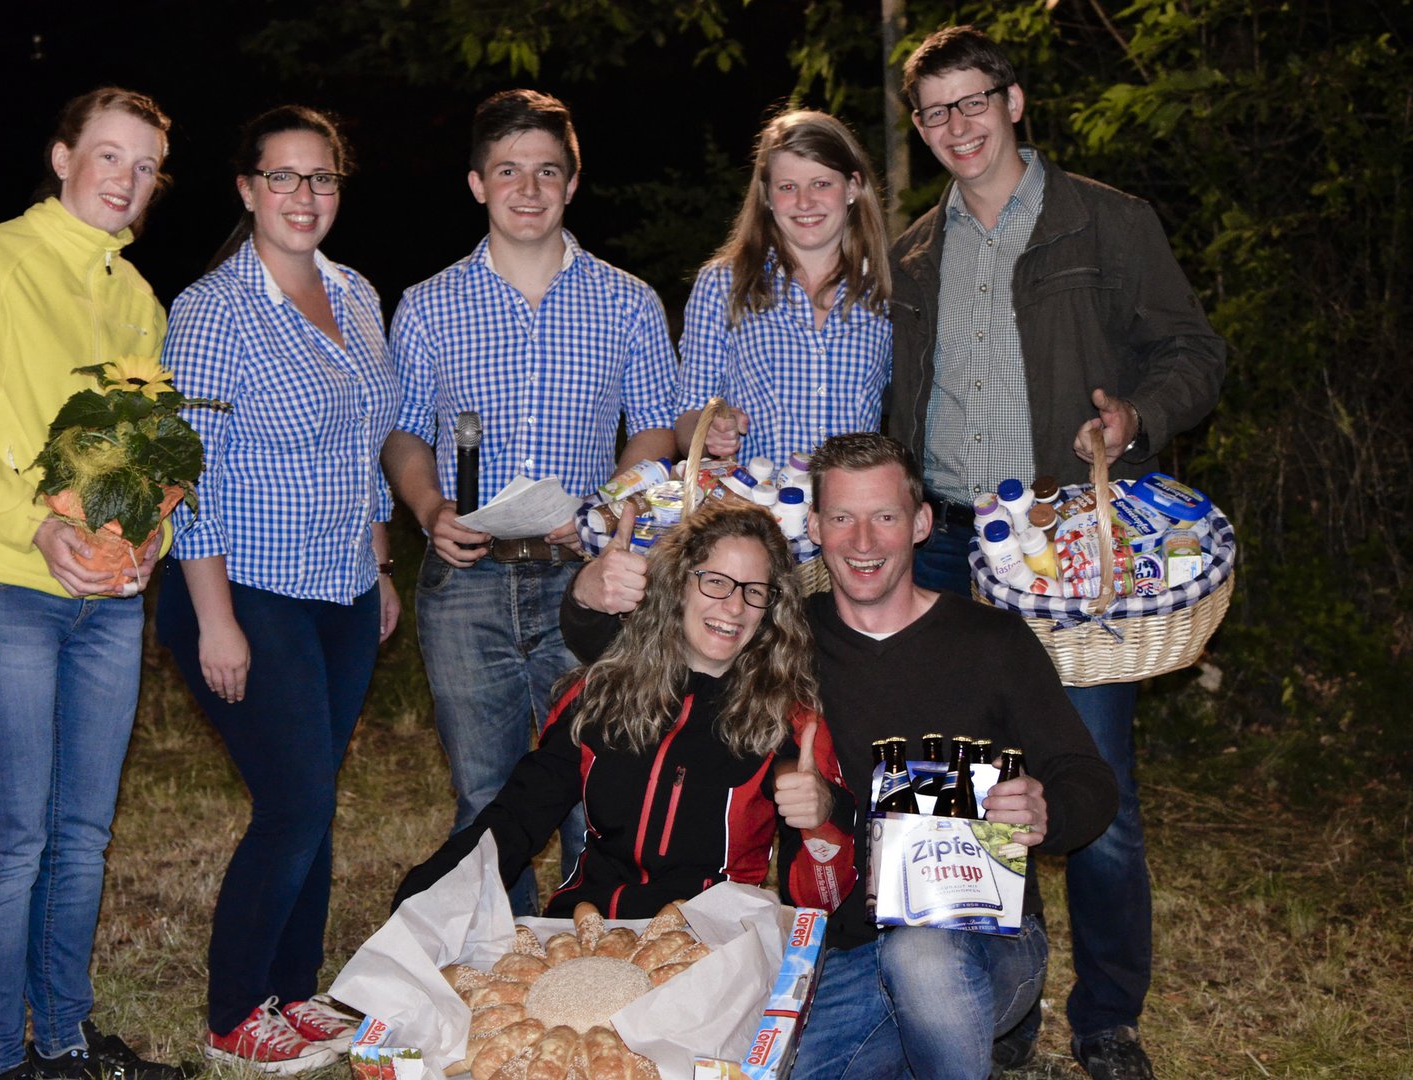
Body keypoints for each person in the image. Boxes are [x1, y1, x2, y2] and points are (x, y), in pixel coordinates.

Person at [884, 25, 1226, 1079]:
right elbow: (902, 396)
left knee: (1093, 794)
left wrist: (1136, 417)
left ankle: (1108, 1018)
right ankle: (1003, 1008)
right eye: (934, 110)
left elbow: (1194, 349)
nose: (956, 125)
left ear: (1014, 100)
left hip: (1066, 550)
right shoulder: (913, 253)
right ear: (918, 126)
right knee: (969, 789)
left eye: (972, 101)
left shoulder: (1105, 221)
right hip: (947, 549)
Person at [563, 433, 1118, 1080]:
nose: (862, 541)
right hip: (844, 948)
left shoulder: (991, 640)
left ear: (921, 523)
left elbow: (1089, 779)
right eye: (842, 518)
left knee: (921, 959)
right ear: (815, 526)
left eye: (884, 516)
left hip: (986, 935)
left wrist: (1048, 810)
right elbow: (654, 661)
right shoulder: (784, 641)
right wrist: (587, 600)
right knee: (766, 1067)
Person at [0, 88, 182, 1080]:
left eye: (146, 166)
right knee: (14, 841)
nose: (127, 180)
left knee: (82, 839)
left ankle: (62, 1042)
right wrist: (34, 526)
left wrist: (150, 530)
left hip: (106, 607)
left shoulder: (138, 298)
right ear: (63, 158)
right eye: (109, 156)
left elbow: (145, 451)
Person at [382, 89, 678, 916]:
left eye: (548, 171)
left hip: (586, 582)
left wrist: (602, 515)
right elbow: (403, 433)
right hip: (466, 579)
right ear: (477, 184)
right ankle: (496, 962)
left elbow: (655, 429)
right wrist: (429, 509)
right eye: (508, 170)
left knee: (597, 788)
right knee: (485, 794)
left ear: (572, 183)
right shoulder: (430, 304)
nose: (528, 188)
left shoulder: (626, 300)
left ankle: (587, 956)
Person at [153, 105, 400, 1075]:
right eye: (284, 177)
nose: (304, 195)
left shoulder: (356, 292)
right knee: (293, 803)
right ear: (248, 189)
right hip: (247, 589)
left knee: (316, 798)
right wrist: (215, 621)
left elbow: (365, 445)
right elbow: (187, 475)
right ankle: (232, 1014)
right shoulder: (212, 312)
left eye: (321, 177)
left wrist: (379, 564)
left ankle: (293, 994)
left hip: (342, 586)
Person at [395, 501, 855, 918]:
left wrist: (824, 819)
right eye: (715, 581)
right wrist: (424, 896)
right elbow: (516, 818)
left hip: (710, 942)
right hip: (586, 926)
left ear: (771, 608)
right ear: (678, 585)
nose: (734, 606)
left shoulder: (790, 723)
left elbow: (822, 902)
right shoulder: (602, 693)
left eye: (754, 591)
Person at [673, 110, 895, 467]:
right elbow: (688, 415)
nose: (805, 202)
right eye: (788, 187)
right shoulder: (723, 285)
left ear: (852, 187)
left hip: (853, 499)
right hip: (753, 500)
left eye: (821, 184)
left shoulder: (888, 290)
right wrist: (709, 431)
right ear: (767, 196)